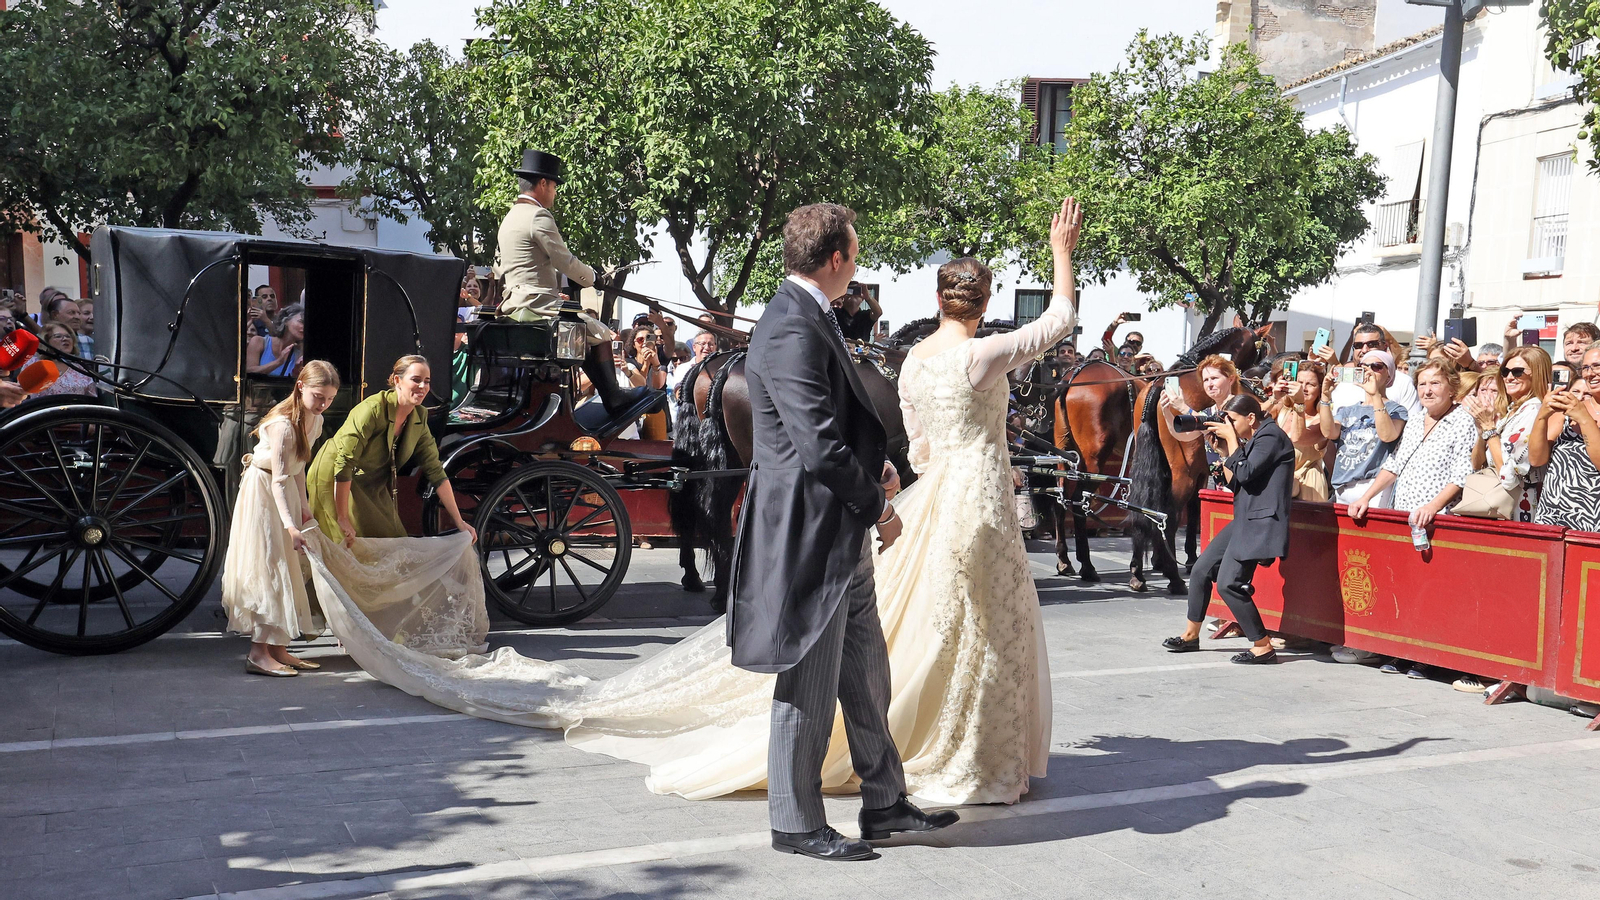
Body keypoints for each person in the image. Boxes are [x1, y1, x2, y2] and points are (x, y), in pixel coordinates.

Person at [1350, 360, 1476, 679]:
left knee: (1432, 589)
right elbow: (1395, 463)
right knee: (1403, 585)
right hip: (1403, 513)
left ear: (1451, 386)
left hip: (1436, 518)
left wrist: (1433, 506)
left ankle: (1427, 656)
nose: (1427, 390)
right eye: (1422, 384)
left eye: (1435, 383)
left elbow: (1463, 473)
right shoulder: (1417, 417)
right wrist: (1366, 496)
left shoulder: (1464, 420)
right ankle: (1402, 650)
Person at [494, 149, 640, 415]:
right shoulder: (538, 216)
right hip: (537, 304)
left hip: (515, 303)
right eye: (554, 185)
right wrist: (593, 277)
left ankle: (606, 394)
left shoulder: (510, 217)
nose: (555, 192)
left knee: (586, 330)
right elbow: (565, 261)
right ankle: (614, 396)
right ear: (543, 184)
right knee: (601, 333)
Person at [222, 361, 341, 676]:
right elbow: (277, 478)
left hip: (284, 487)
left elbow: (298, 471)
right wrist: (290, 526)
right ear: (301, 387)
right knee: (270, 563)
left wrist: (304, 510)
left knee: (286, 565)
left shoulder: (314, 420)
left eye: (329, 398)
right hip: (263, 490)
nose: (323, 404)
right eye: (318, 396)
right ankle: (258, 653)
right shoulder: (282, 424)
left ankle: (278, 648)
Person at [1162, 394, 1294, 664]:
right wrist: (1225, 452)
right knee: (1200, 570)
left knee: (1229, 584)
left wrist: (1232, 442)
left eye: (1231, 420)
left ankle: (1262, 646)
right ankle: (1190, 635)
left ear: (1251, 418)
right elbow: (1237, 482)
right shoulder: (1257, 438)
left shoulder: (1271, 436)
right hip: (1245, 518)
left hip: (1260, 522)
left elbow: (1244, 474)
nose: (1228, 425)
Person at [308, 356, 477, 547]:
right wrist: (343, 517)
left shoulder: (419, 417)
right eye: (416, 380)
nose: (422, 386)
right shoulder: (373, 409)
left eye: (427, 381)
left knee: (395, 542)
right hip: (334, 477)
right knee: (354, 547)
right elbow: (344, 463)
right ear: (397, 380)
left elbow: (436, 472)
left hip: (370, 482)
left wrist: (459, 521)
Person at [1467, 348, 1549, 522]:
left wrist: (1489, 428)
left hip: (1519, 506)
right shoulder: (1513, 410)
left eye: (1518, 372)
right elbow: (1476, 463)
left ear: (1537, 374)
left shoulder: (1533, 411)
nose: (1509, 377)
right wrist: (1483, 429)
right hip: (1495, 502)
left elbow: (1509, 477)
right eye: (1505, 371)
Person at [1320, 350, 1406, 506]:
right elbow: (1329, 432)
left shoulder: (1396, 410)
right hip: (1343, 484)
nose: (1369, 371)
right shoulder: (1347, 410)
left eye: (1377, 366)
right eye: (1363, 366)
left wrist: (1375, 396)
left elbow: (1388, 435)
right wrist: (1325, 398)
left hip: (1373, 486)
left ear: (1389, 375)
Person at [1531, 345, 1600, 533]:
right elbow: (1537, 459)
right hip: (1552, 515)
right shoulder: (1566, 409)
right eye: (1585, 368)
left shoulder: (1577, 410)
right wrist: (1542, 416)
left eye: (1597, 366)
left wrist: (1584, 418)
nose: (1590, 373)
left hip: (1593, 519)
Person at [1315, 322, 1422, 420]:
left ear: (1384, 346)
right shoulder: (1342, 379)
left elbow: (1412, 423)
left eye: (1372, 344)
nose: (1364, 350)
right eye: (1358, 345)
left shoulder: (1403, 381)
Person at [1266, 359, 1329, 502]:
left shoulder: (1321, 418)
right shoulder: (1283, 408)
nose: (1303, 388)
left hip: (1309, 486)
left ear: (1320, 388)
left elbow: (1297, 437)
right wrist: (1273, 398)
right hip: (1278, 482)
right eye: (1299, 383)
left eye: (1310, 384)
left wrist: (1299, 404)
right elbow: (1252, 421)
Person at [33, 323, 96, 398]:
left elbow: (93, 398)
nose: (65, 339)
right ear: (46, 341)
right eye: (58, 336)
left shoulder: (81, 369)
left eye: (68, 336)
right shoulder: (34, 363)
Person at [246, 305, 304, 376]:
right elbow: (248, 372)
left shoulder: (299, 353)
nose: (304, 326)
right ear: (286, 320)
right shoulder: (259, 342)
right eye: (301, 321)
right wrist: (278, 362)